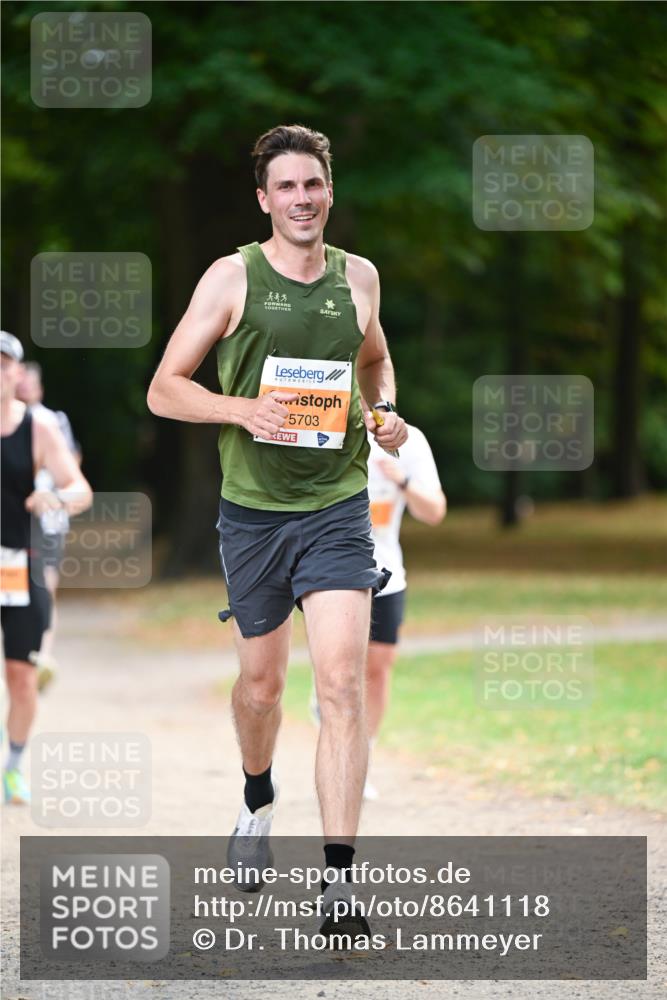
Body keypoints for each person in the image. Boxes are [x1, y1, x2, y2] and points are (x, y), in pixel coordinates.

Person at [147, 124, 407, 937]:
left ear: (330, 191)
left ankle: (337, 887)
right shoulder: (232, 279)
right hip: (254, 514)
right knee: (262, 689)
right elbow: (163, 389)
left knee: (339, 687)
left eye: (313, 185)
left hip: (335, 507)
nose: (302, 199)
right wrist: (240, 409)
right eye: (286, 187)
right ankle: (257, 797)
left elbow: (374, 362)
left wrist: (385, 412)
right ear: (264, 199)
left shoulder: (357, 278)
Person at [1, 331, 92, 804]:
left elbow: (81, 489)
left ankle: (13, 766)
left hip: (21, 564)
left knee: (21, 675)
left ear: (17, 374)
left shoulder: (38, 428)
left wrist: (54, 496)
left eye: (3, 364)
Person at [364, 424, 446, 798]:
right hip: (329, 568)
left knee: (379, 666)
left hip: (386, 570)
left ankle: (361, 757)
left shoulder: (408, 440)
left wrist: (402, 481)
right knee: (341, 669)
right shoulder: (326, 425)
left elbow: (434, 511)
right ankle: (333, 710)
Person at [16, 361, 82, 691]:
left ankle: (42, 654)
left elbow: (73, 466)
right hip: (15, 519)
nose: (25, 387)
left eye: (31, 383)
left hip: (49, 517)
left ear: (39, 388)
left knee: (46, 586)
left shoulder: (53, 421)